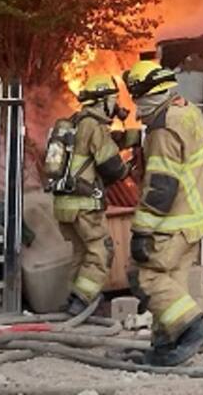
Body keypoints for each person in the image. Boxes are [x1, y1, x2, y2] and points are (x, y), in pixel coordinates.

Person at [121, 60, 203, 366]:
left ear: (144, 94)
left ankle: (192, 328)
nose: (135, 106)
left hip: (171, 220)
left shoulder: (162, 130)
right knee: (171, 281)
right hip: (195, 217)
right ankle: (165, 346)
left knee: (144, 276)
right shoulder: (186, 110)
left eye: (136, 98)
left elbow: (160, 187)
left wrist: (141, 231)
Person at [52, 74, 131, 316]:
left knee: (81, 252)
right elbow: (111, 166)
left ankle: (72, 303)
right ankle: (82, 303)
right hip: (84, 203)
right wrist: (127, 167)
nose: (116, 105)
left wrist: (129, 139)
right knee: (102, 250)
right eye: (114, 100)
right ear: (104, 101)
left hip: (63, 202)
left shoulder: (74, 122)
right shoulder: (94, 125)